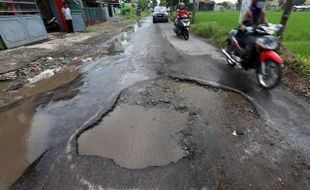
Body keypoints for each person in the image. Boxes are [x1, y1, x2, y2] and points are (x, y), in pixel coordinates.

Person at [236, 0, 267, 69]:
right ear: (255, 2)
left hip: (258, 33)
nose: (262, 3)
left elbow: (265, 23)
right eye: (260, 1)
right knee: (251, 44)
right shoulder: (248, 12)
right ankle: (240, 60)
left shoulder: (262, 12)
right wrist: (245, 27)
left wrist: (269, 27)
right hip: (248, 33)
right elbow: (242, 24)